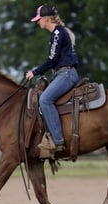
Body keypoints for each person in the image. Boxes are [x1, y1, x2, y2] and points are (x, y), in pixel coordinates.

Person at [25, 4, 79, 153]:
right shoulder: (58, 33)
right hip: (62, 73)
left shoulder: (57, 33)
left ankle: (58, 141)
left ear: (47, 19)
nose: (37, 22)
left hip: (66, 74)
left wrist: (35, 72)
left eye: (39, 19)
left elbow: (52, 59)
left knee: (45, 100)